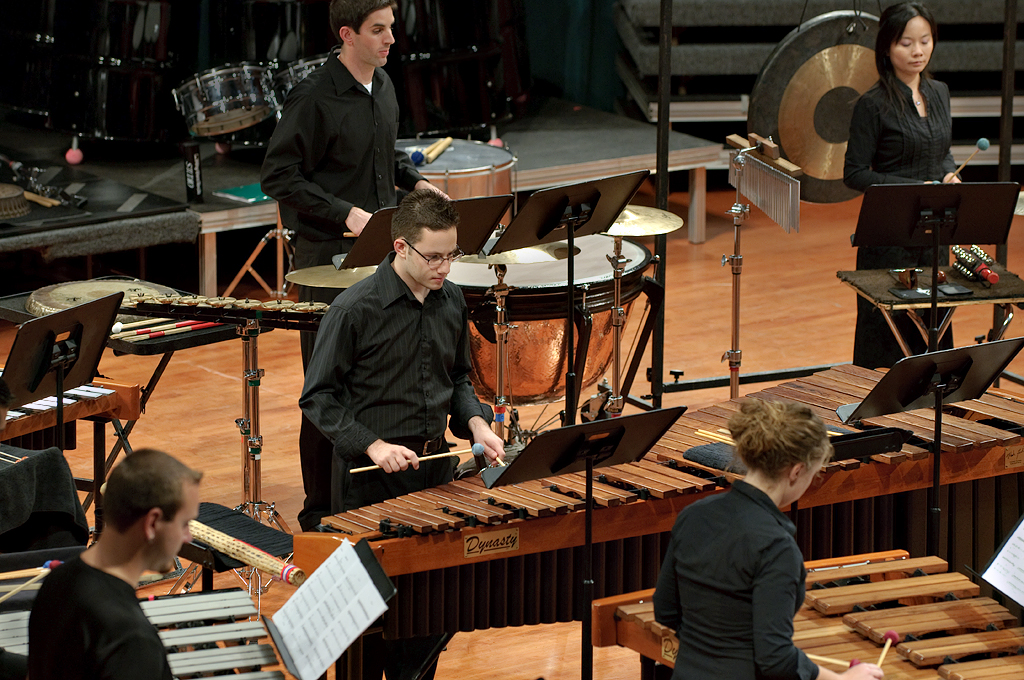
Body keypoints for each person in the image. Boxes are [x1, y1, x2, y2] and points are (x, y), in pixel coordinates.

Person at [300, 188, 502, 680]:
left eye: (452, 254)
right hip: (368, 484)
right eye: (434, 257)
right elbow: (318, 398)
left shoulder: (451, 299)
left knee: (422, 628)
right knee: (367, 639)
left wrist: (475, 421)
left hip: (433, 479)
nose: (445, 268)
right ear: (400, 248)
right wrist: (373, 444)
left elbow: (455, 376)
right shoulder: (352, 311)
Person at [261, 0, 445, 531]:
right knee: (328, 387)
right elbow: (279, 175)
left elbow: (382, 159)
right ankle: (318, 511)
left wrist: (417, 184)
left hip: (383, 259)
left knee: (378, 380)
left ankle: (367, 499)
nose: (391, 40)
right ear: (348, 34)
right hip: (327, 264)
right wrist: (346, 213)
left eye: (392, 29)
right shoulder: (314, 97)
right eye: (379, 30)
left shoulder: (382, 87)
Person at [653, 399, 885, 680]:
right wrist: (842, 679)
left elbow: (666, 611)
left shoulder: (693, 515)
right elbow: (774, 658)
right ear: (796, 470)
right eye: (814, 473)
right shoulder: (776, 547)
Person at [844, 1, 957, 369]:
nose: (918, 51)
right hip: (890, 238)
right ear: (887, 48)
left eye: (925, 41)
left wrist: (949, 173)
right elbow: (855, 172)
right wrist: (913, 186)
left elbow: (941, 151)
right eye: (906, 43)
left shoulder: (939, 92)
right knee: (888, 333)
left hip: (933, 234)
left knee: (933, 325)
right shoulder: (872, 105)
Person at [27, 449, 202, 680]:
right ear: (152, 523)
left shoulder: (56, 581)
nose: (188, 537)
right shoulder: (132, 640)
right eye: (184, 523)